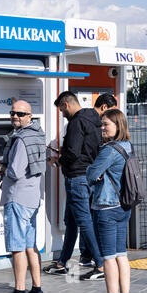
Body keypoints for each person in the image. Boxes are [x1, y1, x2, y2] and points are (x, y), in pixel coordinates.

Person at [44, 91, 105, 281]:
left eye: (61, 110)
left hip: (76, 178)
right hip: (88, 176)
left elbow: (73, 152)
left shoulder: (76, 122)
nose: (61, 114)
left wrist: (59, 160)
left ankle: (101, 265)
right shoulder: (94, 119)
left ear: (66, 105)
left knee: (84, 222)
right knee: (71, 221)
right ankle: (63, 263)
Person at [0, 100, 46, 293]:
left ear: (30, 116)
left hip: (17, 197)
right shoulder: (37, 134)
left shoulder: (21, 139)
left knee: (17, 247)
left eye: (20, 114)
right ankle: (37, 288)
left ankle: (19, 290)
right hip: (32, 196)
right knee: (31, 245)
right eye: (12, 113)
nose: (15, 116)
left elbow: (15, 171)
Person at [86, 109, 132, 293]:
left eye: (106, 124)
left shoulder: (110, 150)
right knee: (121, 254)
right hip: (123, 205)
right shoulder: (128, 145)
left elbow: (91, 174)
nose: (102, 128)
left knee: (108, 257)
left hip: (107, 207)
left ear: (118, 126)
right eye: (102, 124)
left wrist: (93, 171)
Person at [79, 93, 118, 267]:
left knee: (82, 218)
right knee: (89, 220)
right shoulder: (115, 144)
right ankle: (96, 260)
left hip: (85, 177)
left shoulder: (80, 119)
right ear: (104, 107)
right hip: (101, 189)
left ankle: (86, 256)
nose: (104, 126)